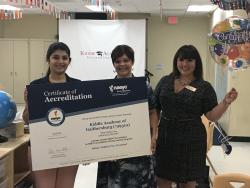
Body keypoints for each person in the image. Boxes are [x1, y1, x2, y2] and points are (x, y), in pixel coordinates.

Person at [154, 45, 238, 188]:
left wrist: (225, 103)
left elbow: (211, 116)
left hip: (191, 140)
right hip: (165, 137)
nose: (184, 64)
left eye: (189, 60)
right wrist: (153, 134)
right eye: (181, 60)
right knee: (162, 179)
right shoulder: (165, 81)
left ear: (196, 63)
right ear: (176, 61)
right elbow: (155, 108)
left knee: (188, 181)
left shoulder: (204, 87)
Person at [96, 44, 158, 188]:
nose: (122, 64)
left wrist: (154, 135)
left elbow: (152, 112)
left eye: (126, 60)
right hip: (113, 147)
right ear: (113, 64)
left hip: (138, 147)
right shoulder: (106, 89)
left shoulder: (143, 86)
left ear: (132, 62)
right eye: (118, 61)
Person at [22, 42, 80, 188]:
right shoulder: (36, 87)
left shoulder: (78, 86)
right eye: (55, 57)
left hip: (70, 146)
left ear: (69, 61)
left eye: (64, 58)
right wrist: (28, 104)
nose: (60, 62)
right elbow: (27, 120)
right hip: (42, 146)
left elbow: (82, 120)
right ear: (48, 59)